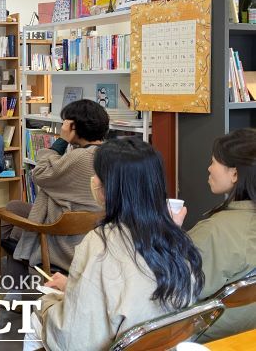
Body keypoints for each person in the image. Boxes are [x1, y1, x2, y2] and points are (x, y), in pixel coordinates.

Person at [23, 138, 204, 351]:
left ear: (106, 187)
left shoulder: (99, 243)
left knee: (35, 318)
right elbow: (128, 290)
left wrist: (48, 305)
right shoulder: (178, 237)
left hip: (113, 342)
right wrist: (73, 287)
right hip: (163, 344)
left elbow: (74, 339)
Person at [173, 128, 256, 342]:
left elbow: (174, 291)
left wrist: (170, 236)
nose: (209, 169)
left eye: (213, 162)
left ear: (235, 173)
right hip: (246, 331)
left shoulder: (215, 231)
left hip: (209, 335)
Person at [9, 99, 108, 271]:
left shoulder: (81, 157)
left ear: (73, 127)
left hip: (66, 235)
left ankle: (16, 284)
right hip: (94, 228)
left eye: (65, 123)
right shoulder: (109, 152)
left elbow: (40, 175)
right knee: (16, 209)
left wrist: (61, 141)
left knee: (10, 215)